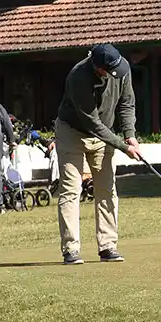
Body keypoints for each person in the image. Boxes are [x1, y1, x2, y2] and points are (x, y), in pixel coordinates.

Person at [55, 43, 143, 265]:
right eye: (107, 71)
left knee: (106, 188)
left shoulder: (121, 68)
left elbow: (127, 104)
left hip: (104, 134)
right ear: (97, 66)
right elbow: (92, 123)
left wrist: (130, 134)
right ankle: (71, 249)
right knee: (71, 189)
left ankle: (107, 246)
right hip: (72, 132)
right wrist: (124, 147)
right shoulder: (78, 77)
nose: (112, 74)